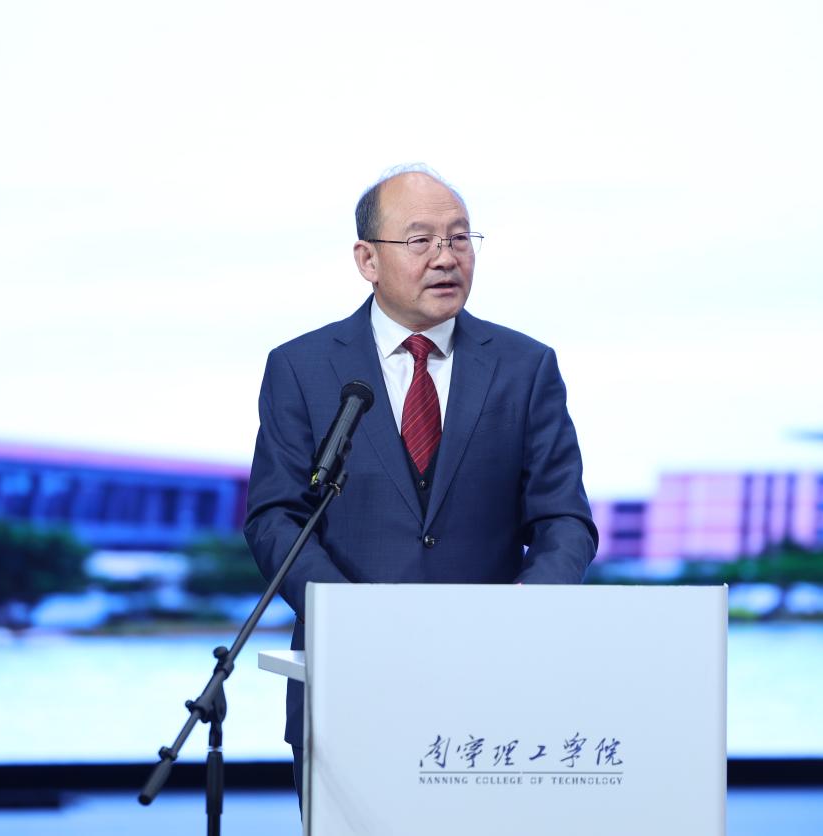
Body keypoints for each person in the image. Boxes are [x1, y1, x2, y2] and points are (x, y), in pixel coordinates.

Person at [243, 165, 598, 801]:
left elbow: (564, 518)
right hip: (350, 679)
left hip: (494, 678)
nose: (446, 257)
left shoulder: (525, 366)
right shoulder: (301, 367)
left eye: (460, 238)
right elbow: (275, 517)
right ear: (367, 260)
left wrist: (534, 603)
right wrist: (349, 616)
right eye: (421, 240)